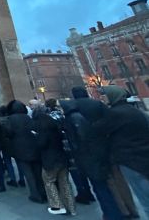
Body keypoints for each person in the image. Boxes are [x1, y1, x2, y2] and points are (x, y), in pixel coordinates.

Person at [61, 87, 124, 220]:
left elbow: (69, 133)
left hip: (84, 152)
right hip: (103, 147)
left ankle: (111, 214)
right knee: (111, 183)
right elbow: (112, 123)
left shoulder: (71, 110)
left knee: (98, 185)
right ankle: (120, 211)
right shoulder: (98, 104)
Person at [95, 85, 149, 218]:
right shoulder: (134, 111)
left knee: (144, 198)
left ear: (113, 96)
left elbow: (97, 129)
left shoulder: (114, 113)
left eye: (104, 95)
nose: (102, 98)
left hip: (130, 159)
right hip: (142, 156)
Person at [33, 102, 76, 215]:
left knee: (49, 181)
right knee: (65, 183)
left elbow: (42, 144)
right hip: (61, 157)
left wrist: (36, 137)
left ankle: (57, 206)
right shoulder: (54, 123)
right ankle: (71, 208)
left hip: (50, 160)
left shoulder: (41, 127)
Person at [5, 100, 46, 204]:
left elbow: (9, 133)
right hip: (33, 147)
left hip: (20, 149)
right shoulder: (27, 117)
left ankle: (35, 195)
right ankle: (42, 192)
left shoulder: (11, 119)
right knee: (37, 173)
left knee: (28, 174)